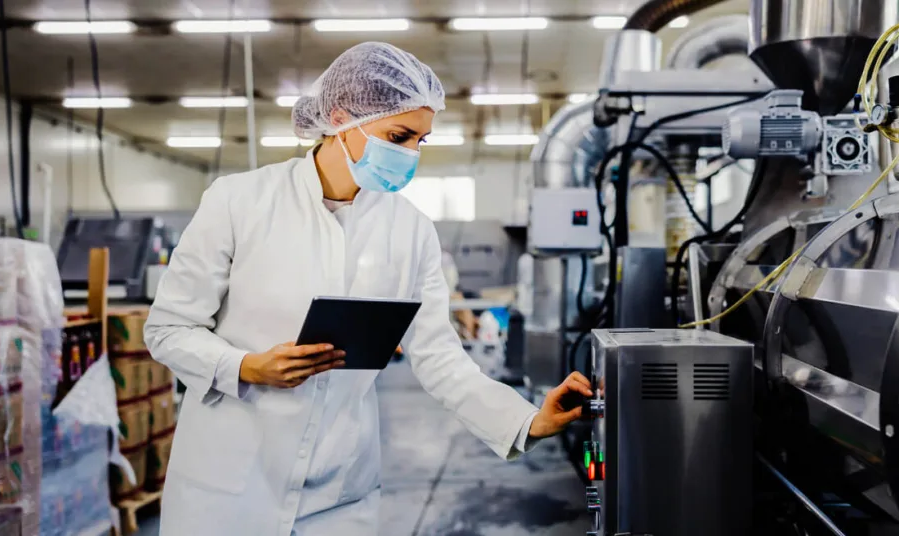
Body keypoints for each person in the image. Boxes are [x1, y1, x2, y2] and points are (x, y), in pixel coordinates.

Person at [144, 42, 592, 536]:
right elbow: (168, 329)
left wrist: (528, 420)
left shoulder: (411, 230)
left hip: (339, 493)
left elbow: (440, 358)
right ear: (341, 118)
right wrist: (247, 366)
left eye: (420, 141)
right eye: (398, 136)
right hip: (229, 487)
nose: (409, 154)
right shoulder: (240, 202)